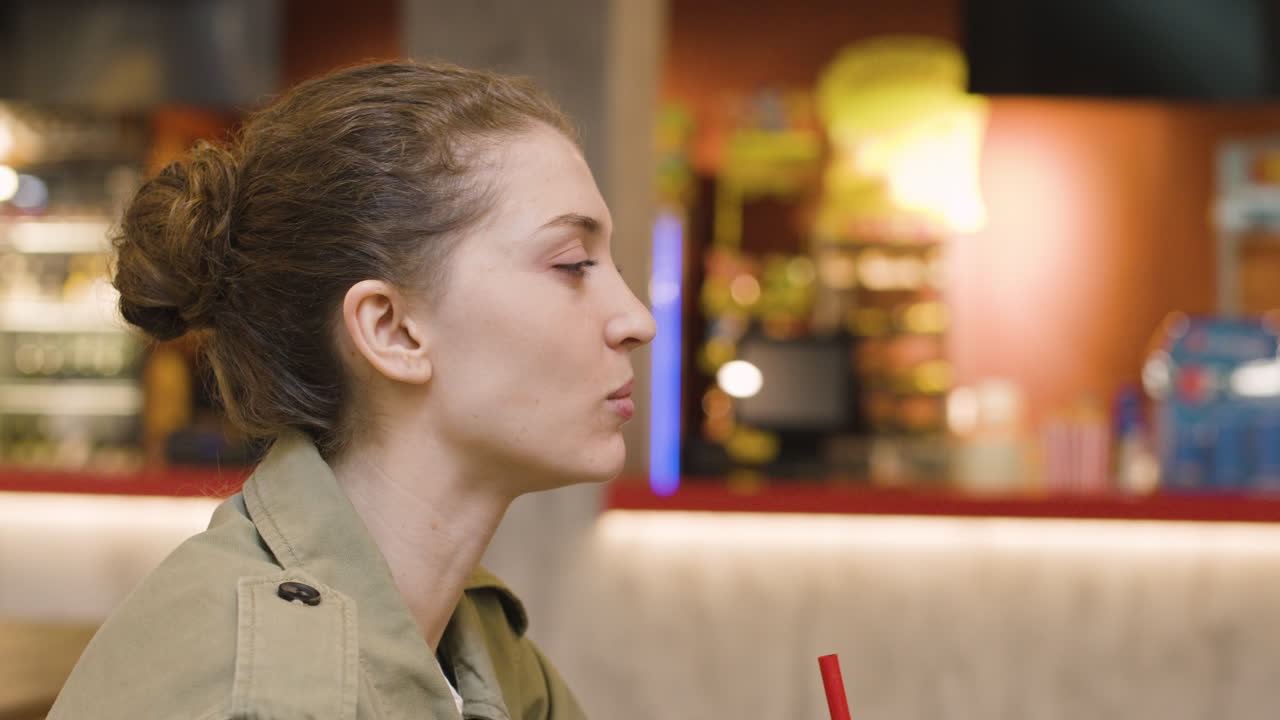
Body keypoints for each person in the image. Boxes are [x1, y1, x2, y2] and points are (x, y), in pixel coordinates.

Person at [49, 60, 655, 719]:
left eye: (611, 267)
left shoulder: (477, 645)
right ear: (392, 330)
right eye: (571, 265)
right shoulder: (261, 693)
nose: (636, 320)